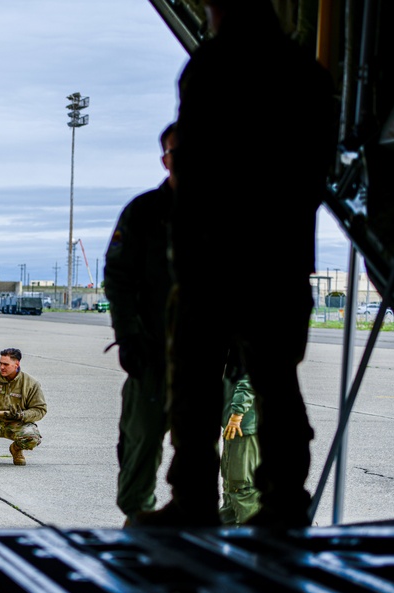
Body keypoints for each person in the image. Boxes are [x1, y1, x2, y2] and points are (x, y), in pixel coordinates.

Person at [141, 0, 336, 527]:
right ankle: (284, 504)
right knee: (278, 384)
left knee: (196, 389)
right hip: (280, 256)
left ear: (220, 9)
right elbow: (320, 168)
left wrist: (191, 249)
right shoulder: (305, 72)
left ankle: (194, 501)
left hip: (216, 255)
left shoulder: (210, 68)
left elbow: (199, 170)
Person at [104, 123, 177, 526]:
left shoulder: (231, 209)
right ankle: (139, 520)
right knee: (140, 441)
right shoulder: (145, 211)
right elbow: (118, 278)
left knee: (231, 452)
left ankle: (211, 520)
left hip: (216, 356)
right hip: (152, 352)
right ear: (164, 160)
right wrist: (128, 336)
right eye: (174, 152)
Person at [219, 374, 261, 525]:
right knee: (231, 487)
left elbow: (249, 377)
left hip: (242, 427)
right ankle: (226, 534)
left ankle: (250, 539)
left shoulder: (240, 351)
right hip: (233, 425)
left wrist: (237, 413)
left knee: (242, 488)